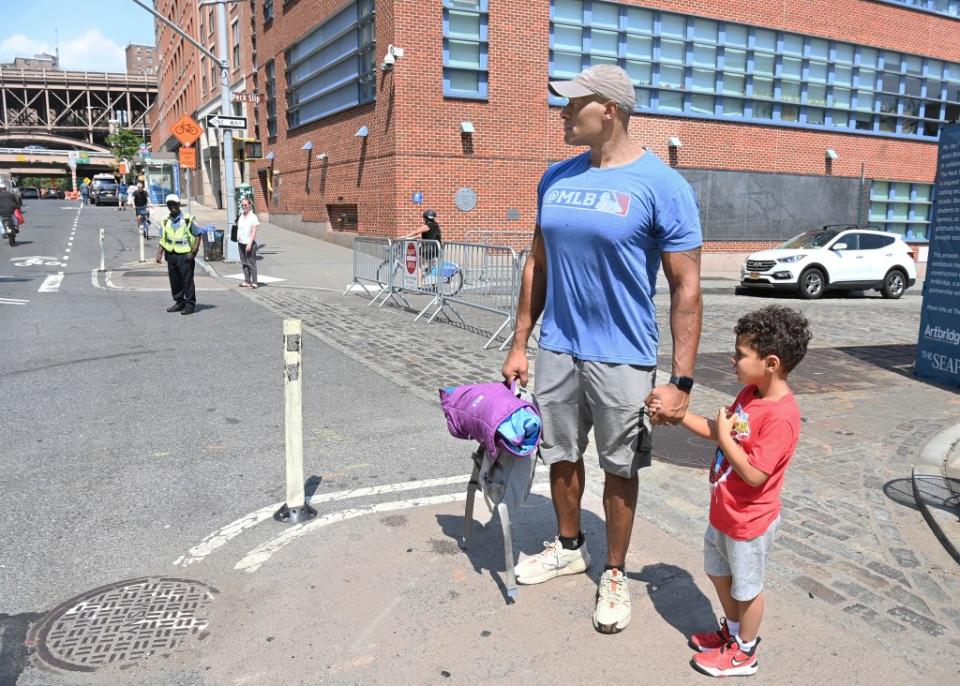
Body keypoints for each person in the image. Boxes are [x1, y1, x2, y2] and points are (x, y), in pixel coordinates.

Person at [501, 64, 703, 634]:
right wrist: (521, 342)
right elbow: (536, 263)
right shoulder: (556, 178)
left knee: (620, 468)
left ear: (609, 109)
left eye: (573, 103)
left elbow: (687, 288)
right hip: (559, 347)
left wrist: (681, 381)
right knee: (561, 456)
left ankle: (612, 571)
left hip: (624, 355)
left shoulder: (663, 186)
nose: (561, 111)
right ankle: (570, 546)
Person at [647, 305, 811, 677]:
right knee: (718, 572)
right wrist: (676, 416)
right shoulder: (750, 395)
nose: (732, 359)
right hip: (725, 512)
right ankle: (734, 632)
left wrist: (724, 435)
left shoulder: (782, 415)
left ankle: (746, 652)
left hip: (750, 521)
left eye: (740, 354)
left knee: (748, 588)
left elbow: (755, 474)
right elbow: (720, 431)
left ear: (770, 362)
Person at [155, 194, 200, 315]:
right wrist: (159, 253)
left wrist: (193, 252)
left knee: (187, 281)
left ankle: (190, 304)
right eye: (170, 204)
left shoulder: (188, 219)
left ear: (179, 205)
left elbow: (198, 235)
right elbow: (163, 238)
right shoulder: (165, 220)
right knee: (175, 281)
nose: (172, 206)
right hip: (171, 255)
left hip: (185, 255)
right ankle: (180, 302)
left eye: (174, 204)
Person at [236, 197, 260, 288]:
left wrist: (250, 244)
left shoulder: (253, 217)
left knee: (251, 263)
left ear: (250, 205)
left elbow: (253, 232)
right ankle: (247, 281)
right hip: (241, 242)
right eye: (242, 205)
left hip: (249, 243)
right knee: (244, 263)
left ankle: (254, 282)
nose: (243, 206)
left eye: (245, 205)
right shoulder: (241, 215)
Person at [0, 180, 22, 244]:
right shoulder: (11, 194)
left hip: (2, 213)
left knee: (1, 221)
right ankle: (15, 226)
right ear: (5, 188)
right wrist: (17, 207)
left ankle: (3, 232)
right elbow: (16, 202)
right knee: (14, 217)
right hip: (10, 211)